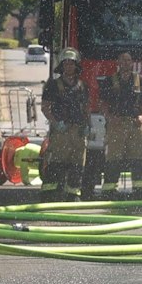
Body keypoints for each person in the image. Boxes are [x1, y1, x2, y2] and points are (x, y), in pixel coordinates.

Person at [98, 52, 142, 198]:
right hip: (116, 124)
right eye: (123, 60)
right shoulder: (110, 81)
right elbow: (102, 102)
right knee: (113, 158)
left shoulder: (140, 80)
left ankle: (140, 190)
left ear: (132, 63)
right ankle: (109, 190)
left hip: (135, 123)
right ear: (118, 63)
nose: (126, 63)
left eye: (128, 60)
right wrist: (109, 117)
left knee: (138, 158)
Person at [41, 49, 89, 199]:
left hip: (78, 131)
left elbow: (86, 107)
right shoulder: (53, 85)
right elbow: (45, 107)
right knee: (57, 162)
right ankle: (50, 193)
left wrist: (87, 125)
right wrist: (56, 124)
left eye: (71, 63)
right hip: (61, 132)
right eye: (66, 63)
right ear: (61, 66)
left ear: (76, 66)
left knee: (77, 164)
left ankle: (73, 194)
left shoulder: (82, 86)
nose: (69, 66)